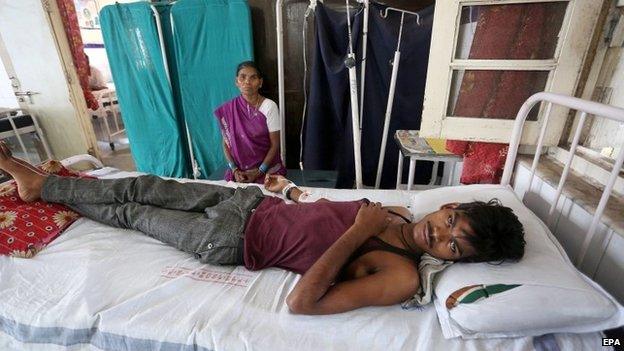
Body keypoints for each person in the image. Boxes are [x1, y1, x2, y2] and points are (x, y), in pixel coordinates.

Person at [0, 142, 525, 315]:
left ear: (456, 262)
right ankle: (41, 187)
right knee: (143, 184)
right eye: (451, 220)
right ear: (448, 204)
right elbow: (321, 212)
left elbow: (303, 304)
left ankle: (39, 189)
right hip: (245, 202)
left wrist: (359, 228)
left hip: (229, 241)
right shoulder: (403, 215)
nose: (441, 234)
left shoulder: (402, 276)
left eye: (455, 246)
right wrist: (293, 193)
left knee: (133, 214)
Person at [214, 61, 286, 184]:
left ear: (260, 82)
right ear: (237, 82)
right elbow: (226, 144)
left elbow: (275, 144)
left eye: (253, 77)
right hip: (239, 174)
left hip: (267, 172)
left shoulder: (269, 106)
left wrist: (259, 171)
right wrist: (235, 170)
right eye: (243, 77)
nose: (247, 81)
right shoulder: (229, 109)